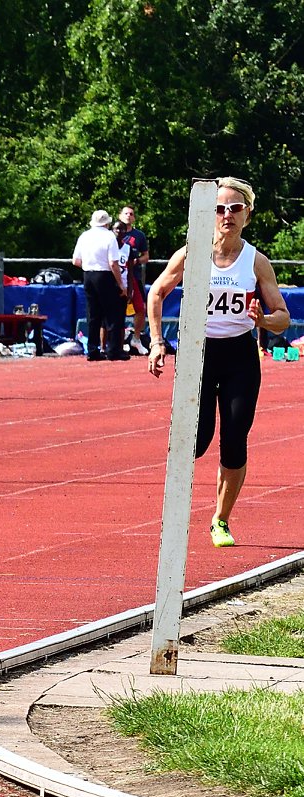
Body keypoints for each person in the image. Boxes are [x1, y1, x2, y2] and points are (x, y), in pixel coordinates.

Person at [145, 178, 291, 549]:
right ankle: (176, 506)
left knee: (235, 438)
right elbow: (156, 293)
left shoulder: (256, 261)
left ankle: (220, 519)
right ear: (209, 214)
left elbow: (283, 316)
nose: (227, 215)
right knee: (197, 439)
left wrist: (262, 320)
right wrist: (157, 342)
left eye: (235, 208)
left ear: (247, 215)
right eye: (219, 209)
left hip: (239, 355)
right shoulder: (191, 254)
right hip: (198, 353)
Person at [72, 209, 125, 362]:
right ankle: (113, 350)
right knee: (112, 313)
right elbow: (113, 263)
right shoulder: (109, 236)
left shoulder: (84, 236)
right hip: (105, 275)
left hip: (88, 275)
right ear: (107, 223)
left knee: (93, 314)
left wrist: (89, 265)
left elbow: (75, 261)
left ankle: (92, 350)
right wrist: (120, 284)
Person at [116, 205, 151, 351]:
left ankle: (136, 338)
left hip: (133, 276)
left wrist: (135, 261)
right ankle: (115, 341)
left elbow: (146, 256)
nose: (128, 216)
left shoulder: (139, 235)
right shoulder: (113, 233)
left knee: (141, 308)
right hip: (116, 277)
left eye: (131, 214)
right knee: (116, 309)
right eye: (126, 213)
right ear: (120, 216)